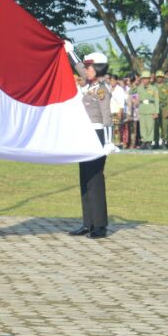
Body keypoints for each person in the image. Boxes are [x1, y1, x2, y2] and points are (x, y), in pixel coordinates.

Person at [66, 45, 111, 238]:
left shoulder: (101, 89)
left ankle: (99, 225)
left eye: (91, 67)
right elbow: (80, 69)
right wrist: (70, 52)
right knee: (84, 179)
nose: (87, 70)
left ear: (99, 68)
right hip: (84, 135)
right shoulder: (89, 86)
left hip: (98, 136)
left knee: (95, 180)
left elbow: (107, 116)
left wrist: (108, 142)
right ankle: (88, 223)